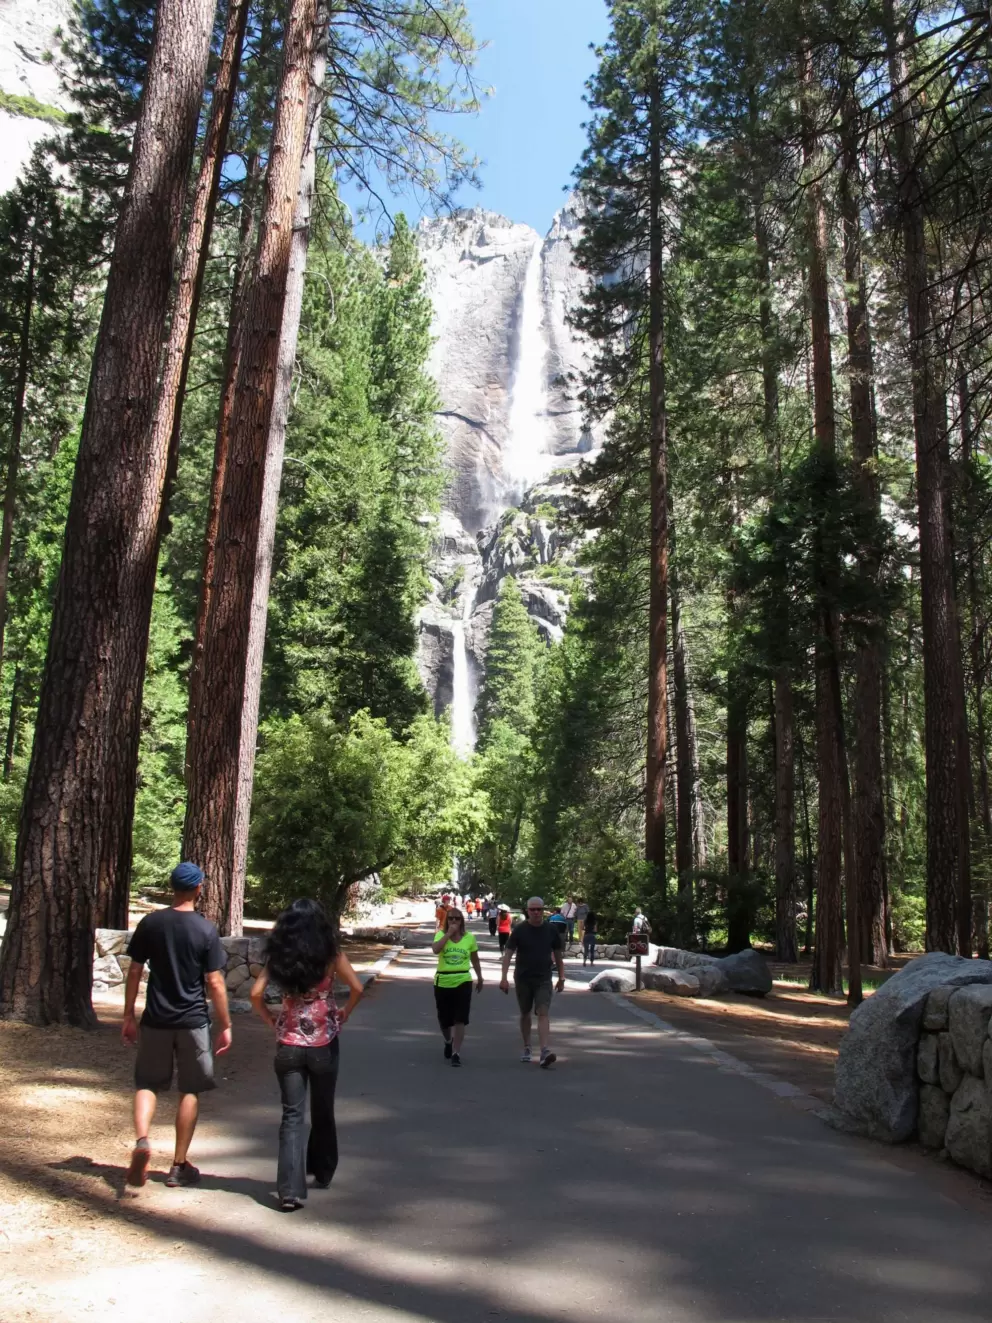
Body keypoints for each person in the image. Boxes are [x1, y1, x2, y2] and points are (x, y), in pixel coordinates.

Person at [122, 861, 232, 1189]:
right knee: (190, 1089)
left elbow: (135, 970)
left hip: (156, 1017)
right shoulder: (205, 930)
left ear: (172, 888)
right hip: (192, 1020)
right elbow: (214, 981)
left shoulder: (151, 923)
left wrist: (129, 1014)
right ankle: (178, 1165)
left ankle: (143, 1140)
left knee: (147, 1083)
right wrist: (225, 1023)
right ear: (199, 888)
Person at [250, 898, 364, 1211]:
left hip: (288, 1044)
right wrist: (345, 1013)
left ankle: (288, 1190)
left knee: (292, 1115)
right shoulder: (331, 954)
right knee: (323, 1109)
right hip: (324, 1043)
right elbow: (357, 987)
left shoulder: (279, 956)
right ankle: (323, 1170)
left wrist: (270, 1019)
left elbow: (255, 994)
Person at [500, 896, 565, 1068]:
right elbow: (508, 953)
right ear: (527, 911)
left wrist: (562, 977)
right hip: (523, 978)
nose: (536, 912)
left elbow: (558, 955)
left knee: (543, 1012)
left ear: (544, 911)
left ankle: (544, 1050)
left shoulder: (551, 930)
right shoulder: (520, 930)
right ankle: (527, 1046)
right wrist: (504, 978)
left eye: (539, 909)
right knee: (525, 1012)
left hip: (543, 978)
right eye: (532, 909)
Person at [432, 907, 483, 1067]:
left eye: (457, 918)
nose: (454, 921)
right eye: (451, 918)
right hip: (443, 981)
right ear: (447, 921)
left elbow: (475, 959)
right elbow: (435, 950)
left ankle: (456, 1052)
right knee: (444, 1019)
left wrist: (480, 977)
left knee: (460, 1018)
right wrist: (448, 934)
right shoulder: (441, 935)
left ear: (462, 921)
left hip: (463, 980)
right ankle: (448, 1041)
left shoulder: (469, 938)